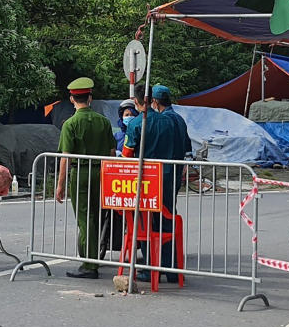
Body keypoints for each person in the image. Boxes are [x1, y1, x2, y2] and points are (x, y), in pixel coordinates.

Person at [122, 83, 190, 281]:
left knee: (146, 225)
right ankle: (171, 270)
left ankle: (151, 268)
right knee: (167, 222)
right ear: (151, 100)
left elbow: (127, 155)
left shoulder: (136, 124)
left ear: (136, 101)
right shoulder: (168, 122)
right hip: (168, 179)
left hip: (146, 183)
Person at [55, 77, 115, 279]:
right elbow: (112, 152)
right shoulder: (104, 122)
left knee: (84, 218)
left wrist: (60, 185)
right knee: (97, 217)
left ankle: (89, 265)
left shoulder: (70, 124)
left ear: (72, 99)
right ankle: (93, 257)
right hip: (103, 173)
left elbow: (66, 158)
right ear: (90, 98)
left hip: (81, 174)